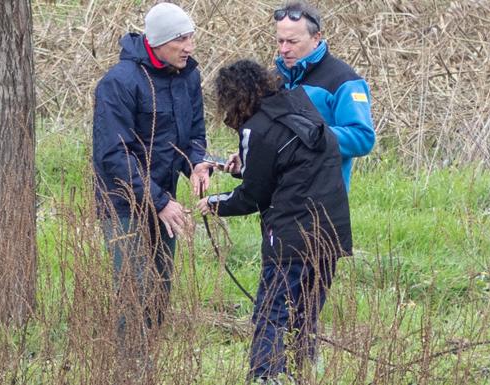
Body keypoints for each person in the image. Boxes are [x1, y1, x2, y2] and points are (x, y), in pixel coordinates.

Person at [197, 60, 352, 383]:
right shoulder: (298, 103)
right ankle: (303, 371)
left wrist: (213, 204)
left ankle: (266, 376)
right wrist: (245, 166)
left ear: (233, 97)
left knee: (272, 310)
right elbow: (291, 161)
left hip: (291, 234)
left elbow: (253, 196)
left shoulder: (256, 128)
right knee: (306, 312)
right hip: (332, 230)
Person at [92, 2, 210, 352]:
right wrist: (157, 200)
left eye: (191, 37)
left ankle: (149, 359)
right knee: (134, 288)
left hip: (165, 199)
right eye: (181, 39)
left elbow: (195, 133)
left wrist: (197, 164)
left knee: (160, 287)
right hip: (124, 203)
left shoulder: (188, 74)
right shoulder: (119, 83)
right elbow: (113, 154)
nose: (189, 46)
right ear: (158, 42)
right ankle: (131, 367)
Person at [273, 0, 375, 191]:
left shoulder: (344, 81)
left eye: (292, 42)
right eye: (280, 41)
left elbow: (363, 138)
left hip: (324, 200)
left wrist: (310, 135)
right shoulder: (274, 79)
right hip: (277, 202)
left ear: (316, 38)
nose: (284, 49)